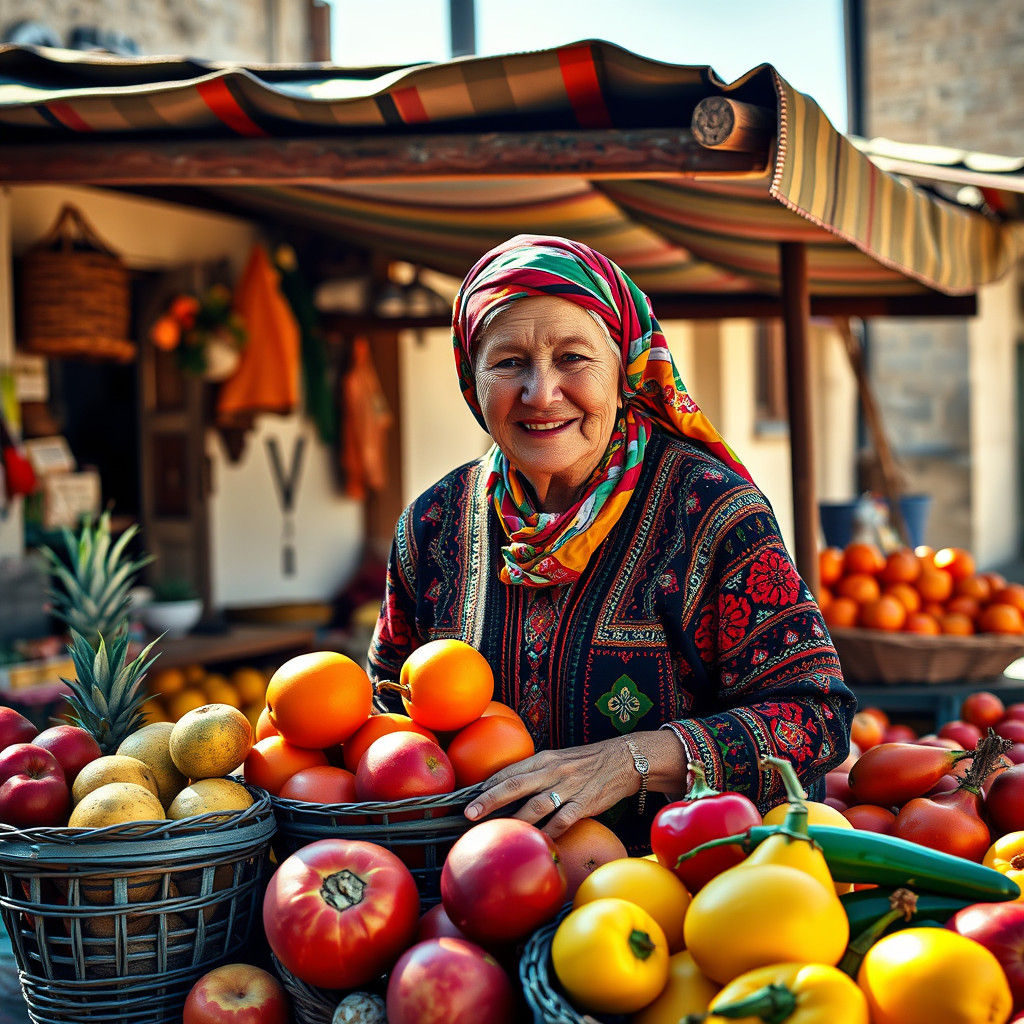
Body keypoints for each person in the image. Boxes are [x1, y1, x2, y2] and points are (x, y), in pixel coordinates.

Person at [369, 234, 854, 852]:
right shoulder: (432, 526)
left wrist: (629, 760)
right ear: (472, 378)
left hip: (679, 892)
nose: (541, 394)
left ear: (622, 370)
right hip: (467, 896)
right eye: (508, 362)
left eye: (573, 358)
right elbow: (382, 720)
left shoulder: (710, 511)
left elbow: (814, 716)